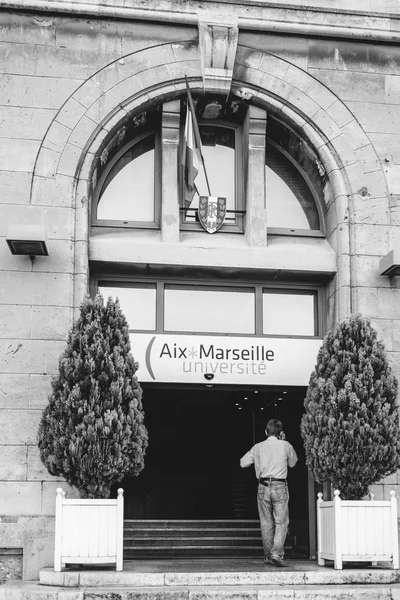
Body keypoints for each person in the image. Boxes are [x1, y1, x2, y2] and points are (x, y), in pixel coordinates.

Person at [240, 419, 298, 567]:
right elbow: (292, 463)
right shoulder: (286, 445)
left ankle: (268, 555)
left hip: (263, 485)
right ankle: (276, 554)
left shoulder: (258, 447)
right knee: (281, 522)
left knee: (266, 522)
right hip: (279, 486)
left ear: (266, 432)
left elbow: (242, 463)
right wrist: (283, 442)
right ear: (281, 433)